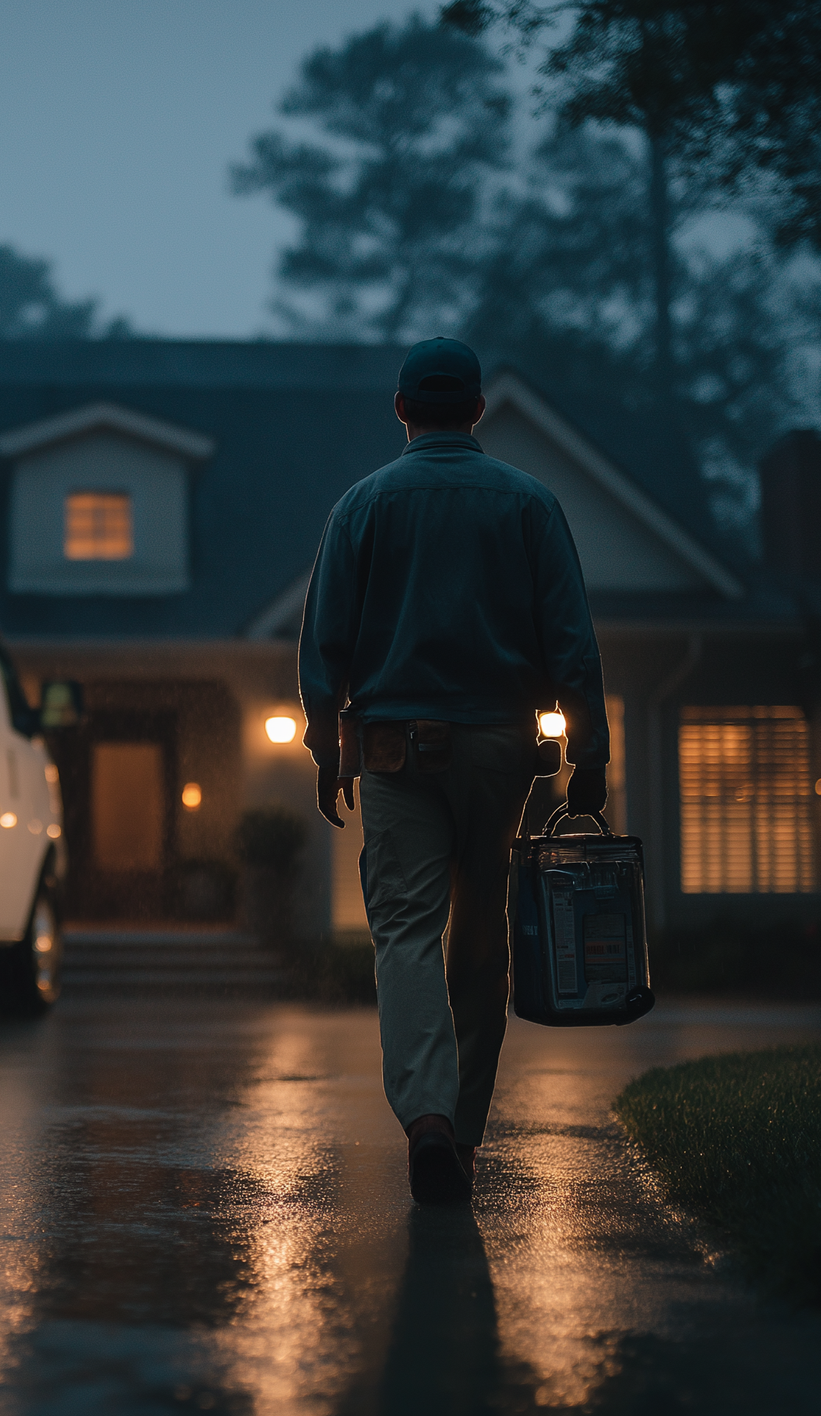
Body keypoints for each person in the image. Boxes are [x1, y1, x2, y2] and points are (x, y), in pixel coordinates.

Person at [298, 337, 608, 1203]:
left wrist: (329, 749)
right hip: (502, 748)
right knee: (480, 936)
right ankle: (463, 1141)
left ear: (401, 409)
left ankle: (426, 1116)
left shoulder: (361, 506)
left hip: (395, 750)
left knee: (403, 930)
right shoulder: (530, 505)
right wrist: (590, 757)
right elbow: (572, 642)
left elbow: (323, 646)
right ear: (476, 411)